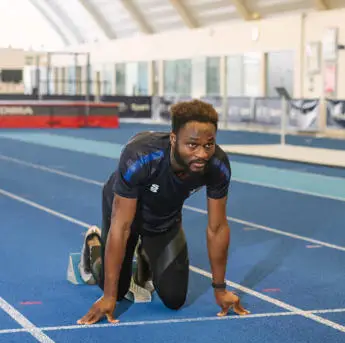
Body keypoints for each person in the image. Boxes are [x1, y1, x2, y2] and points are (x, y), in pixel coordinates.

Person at [77, 99, 249, 325]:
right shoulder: (141, 156)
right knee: (117, 293)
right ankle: (93, 246)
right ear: (173, 139)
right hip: (125, 214)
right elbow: (122, 226)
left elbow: (217, 228)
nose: (202, 154)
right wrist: (108, 296)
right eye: (193, 145)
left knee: (174, 299)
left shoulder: (217, 165)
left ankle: (146, 253)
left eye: (209, 145)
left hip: (164, 218)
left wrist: (220, 289)